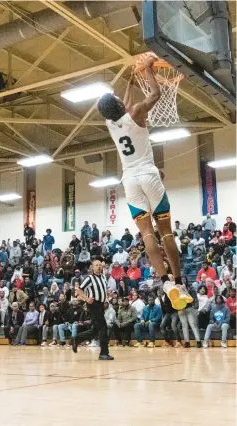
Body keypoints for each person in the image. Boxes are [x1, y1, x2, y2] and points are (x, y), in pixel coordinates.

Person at [97, 53, 189, 311]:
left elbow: (122, 105)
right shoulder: (136, 112)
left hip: (129, 181)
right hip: (148, 175)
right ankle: (179, 282)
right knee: (166, 231)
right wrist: (148, 70)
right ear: (119, 105)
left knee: (147, 233)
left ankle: (165, 282)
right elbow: (156, 95)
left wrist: (129, 81)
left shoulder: (110, 123)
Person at [72, 260, 113, 360]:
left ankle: (77, 339)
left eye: (100, 265)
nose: (99, 267)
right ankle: (104, 353)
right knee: (103, 328)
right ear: (92, 267)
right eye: (96, 265)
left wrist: (108, 295)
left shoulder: (103, 277)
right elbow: (79, 290)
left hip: (101, 305)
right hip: (93, 304)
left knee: (95, 330)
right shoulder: (89, 278)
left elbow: (102, 290)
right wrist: (86, 299)